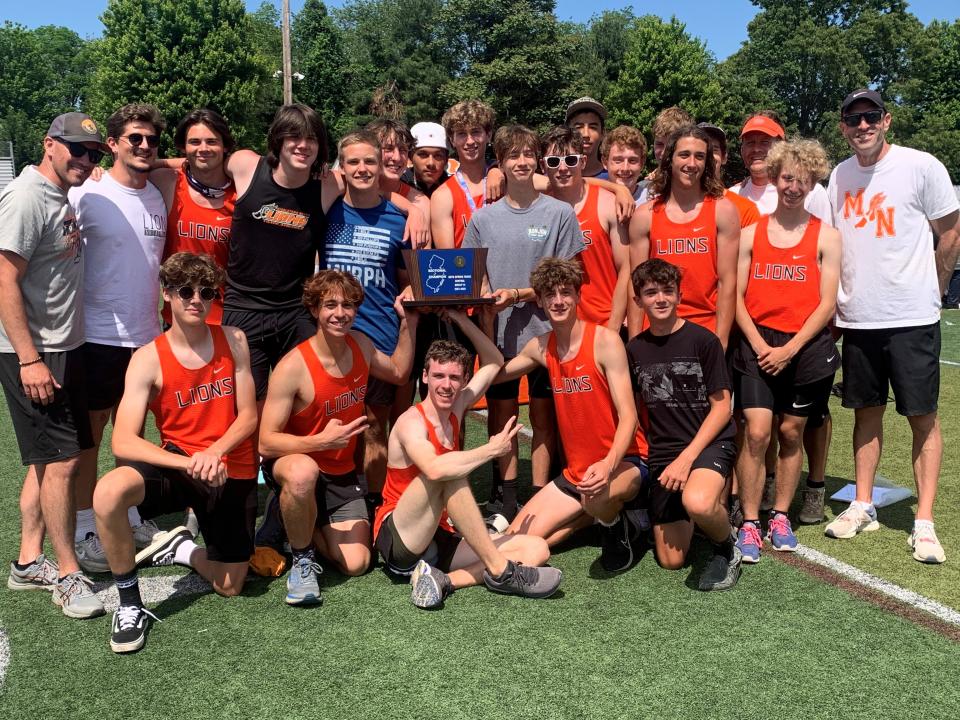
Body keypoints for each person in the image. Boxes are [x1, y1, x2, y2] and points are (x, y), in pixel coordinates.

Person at [92, 252, 258, 653]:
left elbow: (249, 415)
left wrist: (215, 453)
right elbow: (124, 441)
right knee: (109, 492)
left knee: (230, 586)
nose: (196, 299)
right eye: (185, 291)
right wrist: (190, 461)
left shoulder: (233, 339)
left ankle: (180, 548)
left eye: (206, 291)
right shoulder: (147, 358)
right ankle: (129, 604)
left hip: (228, 466)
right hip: (180, 462)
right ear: (167, 295)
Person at [825, 89, 960, 563]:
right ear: (842, 126)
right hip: (859, 318)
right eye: (852, 118)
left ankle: (924, 521)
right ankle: (862, 504)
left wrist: (938, 287)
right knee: (865, 412)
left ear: (887, 120)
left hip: (911, 317)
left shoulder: (921, 166)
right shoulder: (838, 175)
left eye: (870, 116)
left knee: (922, 416)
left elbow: (950, 232)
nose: (862, 125)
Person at [373, 312, 562, 609]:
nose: (446, 385)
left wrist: (460, 318)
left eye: (454, 377)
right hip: (402, 538)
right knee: (447, 472)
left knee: (536, 548)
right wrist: (490, 450)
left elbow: (493, 362)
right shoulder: (412, 422)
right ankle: (500, 571)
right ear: (425, 377)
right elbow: (435, 468)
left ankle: (442, 580)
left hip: (440, 535)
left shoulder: (457, 406)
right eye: (438, 376)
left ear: (463, 381)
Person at [0, 112, 106, 619]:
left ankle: (27, 561)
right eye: (76, 149)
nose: (85, 160)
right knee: (63, 462)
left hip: (65, 346)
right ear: (49, 145)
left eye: (94, 153)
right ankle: (67, 574)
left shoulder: (57, 194)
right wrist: (29, 359)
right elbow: (3, 281)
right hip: (36, 352)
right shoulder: (26, 197)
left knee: (46, 460)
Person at [259, 269, 417, 605]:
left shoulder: (360, 343)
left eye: (348, 305)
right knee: (303, 474)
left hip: (340, 472)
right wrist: (318, 442)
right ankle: (302, 560)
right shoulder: (293, 367)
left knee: (358, 563)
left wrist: (409, 322)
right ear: (314, 309)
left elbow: (400, 373)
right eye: (330, 305)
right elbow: (266, 442)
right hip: (295, 461)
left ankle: (290, 520)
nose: (340, 313)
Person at [463, 124, 584, 515]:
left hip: (549, 335)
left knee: (545, 417)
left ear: (537, 161)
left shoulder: (560, 212)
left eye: (527, 155)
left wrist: (519, 294)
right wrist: (486, 320)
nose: (521, 161)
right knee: (502, 416)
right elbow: (475, 278)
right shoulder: (483, 219)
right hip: (499, 336)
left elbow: (569, 276)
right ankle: (507, 495)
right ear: (500, 162)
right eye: (512, 155)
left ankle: (538, 493)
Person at [69, 103, 169, 574]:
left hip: (146, 337)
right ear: (112, 144)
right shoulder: (86, 193)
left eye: (151, 139)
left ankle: (127, 511)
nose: (144, 146)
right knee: (88, 437)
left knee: (130, 437)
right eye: (134, 138)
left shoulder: (157, 195)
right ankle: (85, 526)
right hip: (96, 335)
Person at [499, 258, 648, 571]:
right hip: (576, 473)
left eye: (565, 292)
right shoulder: (541, 346)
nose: (558, 301)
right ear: (538, 300)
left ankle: (617, 526)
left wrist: (608, 465)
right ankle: (594, 517)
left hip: (625, 462)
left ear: (579, 296)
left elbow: (629, 417)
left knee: (595, 499)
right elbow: (496, 374)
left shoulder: (605, 342)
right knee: (517, 537)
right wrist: (477, 320)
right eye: (550, 295)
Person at [733, 139, 841, 563]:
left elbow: (826, 302)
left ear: (814, 182)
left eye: (804, 179)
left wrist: (791, 348)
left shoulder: (827, 236)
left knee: (791, 432)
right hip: (757, 344)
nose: (794, 186)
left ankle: (780, 516)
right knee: (757, 432)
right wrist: (761, 345)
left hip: (806, 348)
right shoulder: (750, 233)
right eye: (787, 177)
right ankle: (748, 521)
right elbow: (736, 297)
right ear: (775, 178)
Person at [627, 259, 741, 590]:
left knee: (699, 501)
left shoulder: (703, 341)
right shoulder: (635, 349)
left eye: (667, 291)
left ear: (679, 295)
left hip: (709, 442)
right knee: (671, 561)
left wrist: (687, 458)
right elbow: (633, 410)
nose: (660, 299)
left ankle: (727, 547)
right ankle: (704, 513)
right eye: (650, 293)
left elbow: (722, 409)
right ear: (638, 301)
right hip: (665, 451)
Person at [321, 130, 412, 503]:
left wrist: (410, 293)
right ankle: (335, 499)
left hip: (379, 338)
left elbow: (407, 280)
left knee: (375, 427)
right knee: (333, 426)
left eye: (369, 161)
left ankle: (374, 504)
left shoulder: (399, 218)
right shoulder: (326, 212)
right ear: (341, 168)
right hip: (331, 341)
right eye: (353, 162)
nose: (362, 168)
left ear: (381, 166)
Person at [628, 126, 740, 345]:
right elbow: (635, 283)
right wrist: (634, 341)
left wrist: (721, 340)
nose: (692, 164)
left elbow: (728, 282)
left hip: (705, 331)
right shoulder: (645, 215)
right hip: (655, 333)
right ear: (669, 159)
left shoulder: (723, 210)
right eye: (684, 155)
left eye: (700, 156)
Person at [151, 108, 237, 327]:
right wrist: (99, 172)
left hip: (224, 319)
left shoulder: (241, 191)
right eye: (195, 142)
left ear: (225, 146)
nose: (203, 149)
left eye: (212, 142)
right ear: (183, 147)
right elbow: (134, 166)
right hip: (176, 320)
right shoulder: (167, 182)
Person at [540, 126, 629, 331]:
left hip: (604, 322)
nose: (563, 168)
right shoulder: (539, 207)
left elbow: (626, 269)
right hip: (558, 327)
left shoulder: (607, 203)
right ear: (543, 166)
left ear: (583, 161)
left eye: (571, 160)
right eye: (554, 162)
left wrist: (613, 327)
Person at [729, 111, 831, 220]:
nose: (756, 149)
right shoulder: (731, 197)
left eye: (765, 142)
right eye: (750, 142)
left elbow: (825, 235)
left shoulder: (810, 193)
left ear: (782, 147)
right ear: (742, 149)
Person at [431, 100, 497, 249]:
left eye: (475, 132)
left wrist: (499, 170)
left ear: (488, 135)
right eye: (461, 134)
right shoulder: (443, 196)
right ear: (451, 140)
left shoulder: (504, 180)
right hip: (467, 271)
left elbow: (546, 182)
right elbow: (448, 259)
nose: (470, 141)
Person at [696, 122, 761, 228]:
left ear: (724, 157)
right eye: (700, 150)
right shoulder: (669, 207)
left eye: (714, 150)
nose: (707, 155)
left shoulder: (745, 210)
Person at [601, 125, 649, 205]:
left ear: (642, 163)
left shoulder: (652, 201)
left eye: (632, 160)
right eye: (618, 160)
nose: (625, 168)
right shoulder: (593, 199)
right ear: (605, 162)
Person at [565, 96, 608, 179]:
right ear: (567, 132)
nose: (585, 134)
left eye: (593, 127)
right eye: (578, 127)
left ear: (602, 133)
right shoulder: (555, 177)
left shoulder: (615, 178)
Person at [403, 122, 450, 197]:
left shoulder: (455, 187)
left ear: (446, 159)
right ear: (410, 157)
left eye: (438, 155)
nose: (430, 163)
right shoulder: (398, 185)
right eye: (423, 155)